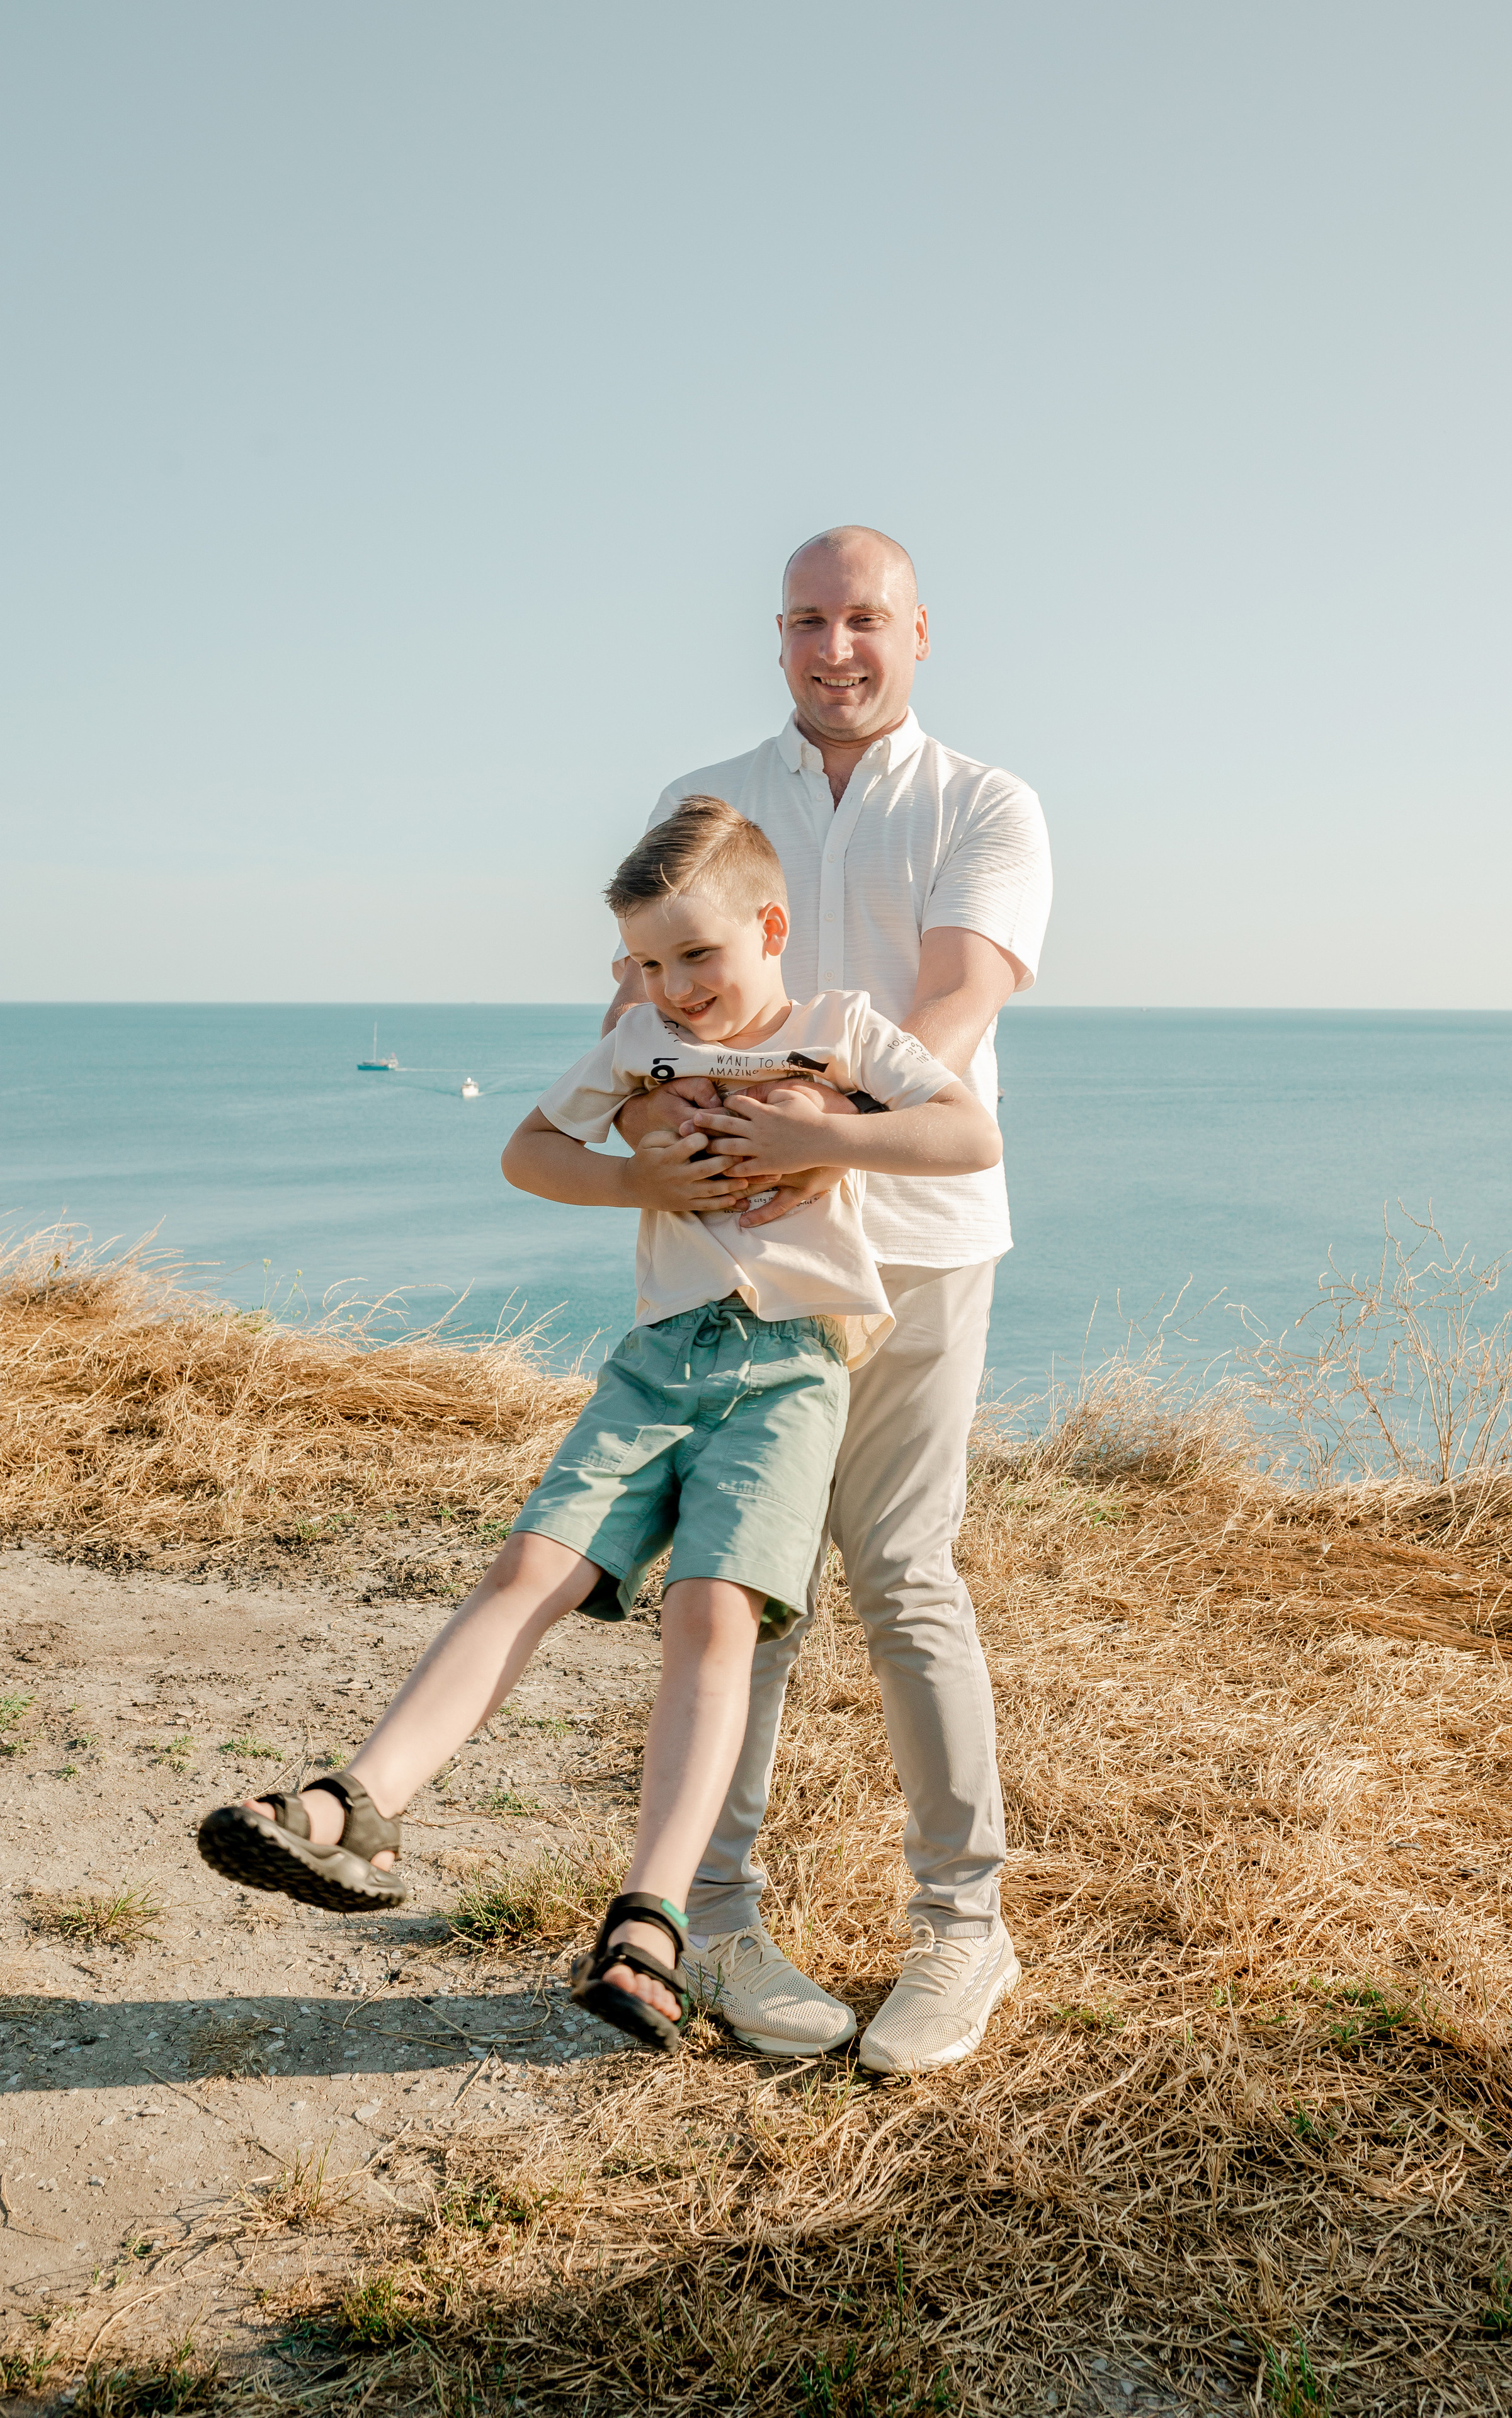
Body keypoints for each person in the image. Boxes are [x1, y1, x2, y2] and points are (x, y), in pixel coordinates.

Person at [195, 797, 1000, 2055]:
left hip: (789, 1370)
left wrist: (821, 1134)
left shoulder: (840, 1032)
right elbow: (529, 1150)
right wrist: (633, 1175)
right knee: (528, 1567)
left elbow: (967, 1134)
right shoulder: (635, 1042)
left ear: (768, 930)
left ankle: (652, 1928)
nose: (674, 988)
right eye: (649, 963)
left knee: (708, 1614)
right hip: (654, 1361)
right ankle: (352, 1806)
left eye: (698, 957)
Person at [600, 525, 1054, 2074]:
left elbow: (959, 994)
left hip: (921, 1236)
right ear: (776, 635)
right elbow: (642, 999)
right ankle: (716, 1920)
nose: (833, 647)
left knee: (906, 1577)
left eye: (863, 618)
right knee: (744, 1587)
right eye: (806, 619)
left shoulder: (985, 802)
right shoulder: (705, 800)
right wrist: (686, 1144)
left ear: (918, 631)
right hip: (747, 1256)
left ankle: (961, 1931)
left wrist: (820, 1139)